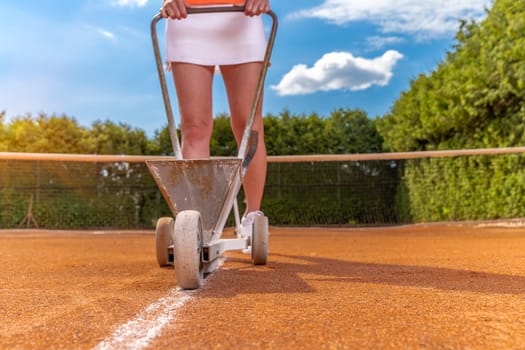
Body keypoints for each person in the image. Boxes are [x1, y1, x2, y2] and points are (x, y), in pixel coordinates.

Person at [160, 0, 270, 246]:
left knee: (249, 126)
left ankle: (253, 216)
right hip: (186, 18)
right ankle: (198, 221)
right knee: (194, 128)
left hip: (243, 17)